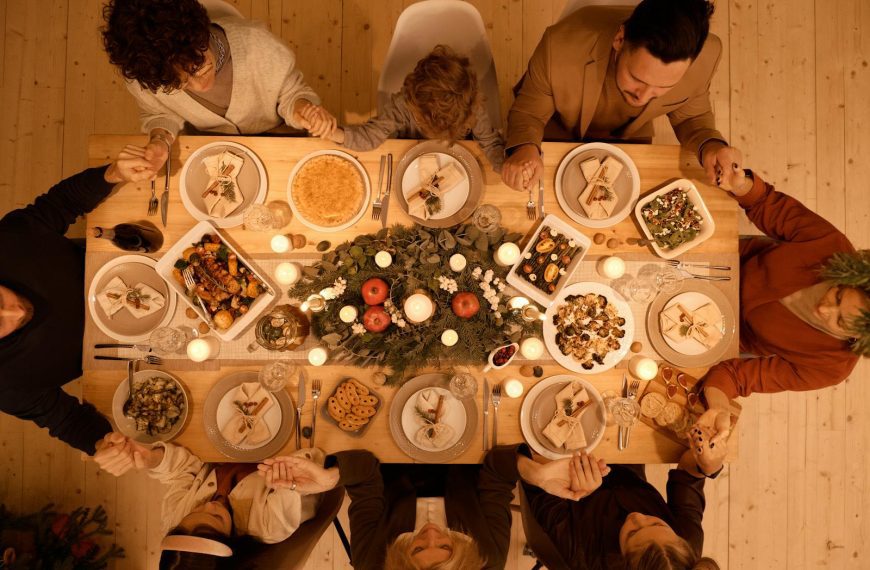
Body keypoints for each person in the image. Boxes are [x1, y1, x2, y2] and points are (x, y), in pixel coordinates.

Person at [0, 149, 155, 454]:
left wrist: (112, 174)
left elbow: (60, 204)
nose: (15, 311)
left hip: (130, 262)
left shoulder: (6, 241)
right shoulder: (6, 386)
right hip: (139, 346)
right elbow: (66, 420)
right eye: (0, 324)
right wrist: (101, 443)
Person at [502, 0, 740, 191]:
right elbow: (529, 112)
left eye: (664, 86)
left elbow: (690, 118)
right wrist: (524, 148)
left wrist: (710, 146)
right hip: (556, 131)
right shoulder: (559, 47)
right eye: (637, 79)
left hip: (631, 140)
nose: (644, 97)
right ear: (620, 39)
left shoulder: (707, 55)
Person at [699, 165, 869, 412]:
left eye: (840, 321)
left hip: (720, 328)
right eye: (838, 294)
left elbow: (738, 377)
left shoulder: (831, 367)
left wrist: (718, 409)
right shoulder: (834, 248)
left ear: (856, 339)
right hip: (727, 264)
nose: (824, 308)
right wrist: (740, 183)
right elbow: (767, 203)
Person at [101, 0, 332, 173]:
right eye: (178, 85)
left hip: (280, 135)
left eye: (199, 68)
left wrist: (302, 109)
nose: (199, 87)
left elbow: (292, 93)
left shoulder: (259, 46)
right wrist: (160, 140)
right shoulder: (146, 77)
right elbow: (158, 112)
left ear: (203, 35)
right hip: (212, 148)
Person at [258, 446, 575, 570]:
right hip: (464, 461)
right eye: (447, 546)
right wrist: (538, 475)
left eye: (418, 546)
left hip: (392, 465)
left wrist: (330, 479)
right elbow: (495, 472)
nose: (432, 532)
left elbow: (367, 476)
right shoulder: (486, 559)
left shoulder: (374, 563)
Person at [93, 432, 323, 567]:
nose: (210, 504)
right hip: (294, 442)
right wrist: (286, 475)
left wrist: (151, 458)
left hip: (230, 445)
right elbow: (311, 461)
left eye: (195, 511)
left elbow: (183, 471)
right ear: (231, 539)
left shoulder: (175, 520)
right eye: (216, 517)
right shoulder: (271, 525)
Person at [518, 442, 723, 570]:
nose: (637, 516)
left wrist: (570, 481)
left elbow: (532, 473)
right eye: (657, 524)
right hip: (626, 458)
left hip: (558, 458)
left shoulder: (581, 555)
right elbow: (688, 474)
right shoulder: (686, 546)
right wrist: (707, 464)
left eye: (632, 533)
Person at [312, 45, 505, 172]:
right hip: (407, 158)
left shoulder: (473, 109)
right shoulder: (403, 104)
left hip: (461, 162)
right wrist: (333, 133)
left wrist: (505, 166)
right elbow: (371, 136)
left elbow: (490, 144)